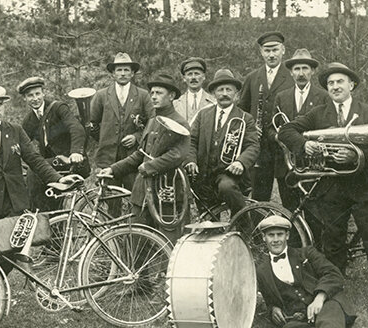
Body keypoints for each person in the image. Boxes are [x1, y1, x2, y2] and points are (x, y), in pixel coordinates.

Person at [278, 62, 368, 311]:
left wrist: (357, 157)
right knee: (333, 241)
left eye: (340, 82)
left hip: (364, 187)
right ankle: (334, 289)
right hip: (333, 189)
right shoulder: (318, 114)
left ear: (351, 85)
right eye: (331, 83)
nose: (335, 87)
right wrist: (303, 144)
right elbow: (286, 131)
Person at [0, 84, 75, 311]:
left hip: (16, 205)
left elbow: (35, 159)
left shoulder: (14, 131)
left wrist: (56, 179)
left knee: (11, 256)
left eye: (1, 104)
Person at [99, 73, 190, 243]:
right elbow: (141, 154)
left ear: (171, 96)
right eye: (152, 93)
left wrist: (149, 167)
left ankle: (163, 271)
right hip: (143, 191)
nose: (154, 97)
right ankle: (138, 271)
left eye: (159, 93)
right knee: (136, 239)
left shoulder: (180, 123)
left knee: (168, 242)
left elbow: (177, 155)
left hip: (168, 191)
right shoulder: (153, 120)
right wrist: (113, 169)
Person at [256, 215, 357, 328]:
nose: (276, 239)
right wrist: (273, 309)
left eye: (280, 234)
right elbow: (270, 299)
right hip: (302, 318)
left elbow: (334, 273)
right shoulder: (262, 270)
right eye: (271, 235)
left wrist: (319, 297)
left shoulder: (306, 253)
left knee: (331, 305)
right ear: (264, 237)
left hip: (325, 306)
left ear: (287, 235)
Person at [185, 69, 259, 217]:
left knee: (226, 187)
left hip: (231, 176)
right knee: (208, 220)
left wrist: (241, 162)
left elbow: (253, 146)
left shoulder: (245, 118)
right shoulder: (203, 115)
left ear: (236, 93)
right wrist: (191, 161)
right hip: (204, 176)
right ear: (213, 93)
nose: (224, 94)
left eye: (229, 90)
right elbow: (191, 140)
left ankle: (245, 226)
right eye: (220, 90)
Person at [17, 76, 88, 212]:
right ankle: (50, 219)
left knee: (34, 172)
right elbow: (22, 143)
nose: (35, 98)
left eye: (38, 93)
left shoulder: (58, 108)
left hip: (70, 161)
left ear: (44, 93)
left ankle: (40, 214)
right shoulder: (29, 120)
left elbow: (76, 128)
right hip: (51, 164)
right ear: (25, 99)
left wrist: (76, 152)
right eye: (30, 95)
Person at [89, 52, 154, 201]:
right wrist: (106, 139)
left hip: (133, 158)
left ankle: (134, 224)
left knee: (136, 198)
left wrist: (137, 137)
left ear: (132, 73)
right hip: (108, 158)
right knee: (111, 202)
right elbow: (93, 124)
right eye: (119, 70)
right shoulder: (101, 95)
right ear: (113, 74)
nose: (123, 73)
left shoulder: (143, 95)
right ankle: (111, 225)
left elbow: (152, 122)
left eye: (126, 70)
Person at [271, 49, 329, 212]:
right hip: (286, 164)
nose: (301, 73)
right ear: (291, 72)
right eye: (297, 69)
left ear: (312, 71)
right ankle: (295, 238)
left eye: (305, 68)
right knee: (289, 209)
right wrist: (279, 136)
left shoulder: (323, 96)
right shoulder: (281, 96)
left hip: (313, 164)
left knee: (313, 210)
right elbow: (270, 127)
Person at [239, 31, 294, 202]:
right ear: (261, 52)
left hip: (283, 146)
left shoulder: (292, 76)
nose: (271, 55)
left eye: (275, 50)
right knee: (259, 196)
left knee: (289, 195)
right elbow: (242, 109)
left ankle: (291, 229)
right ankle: (258, 229)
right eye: (267, 51)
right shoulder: (252, 77)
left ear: (283, 50)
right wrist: (250, 128)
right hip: (259, 147)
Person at [173, 57, 215, 124]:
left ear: (203, 76)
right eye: (190, 74)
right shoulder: (175, 104)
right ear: (184, 78)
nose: (193, 77)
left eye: (197, 73)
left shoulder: (213, 102)